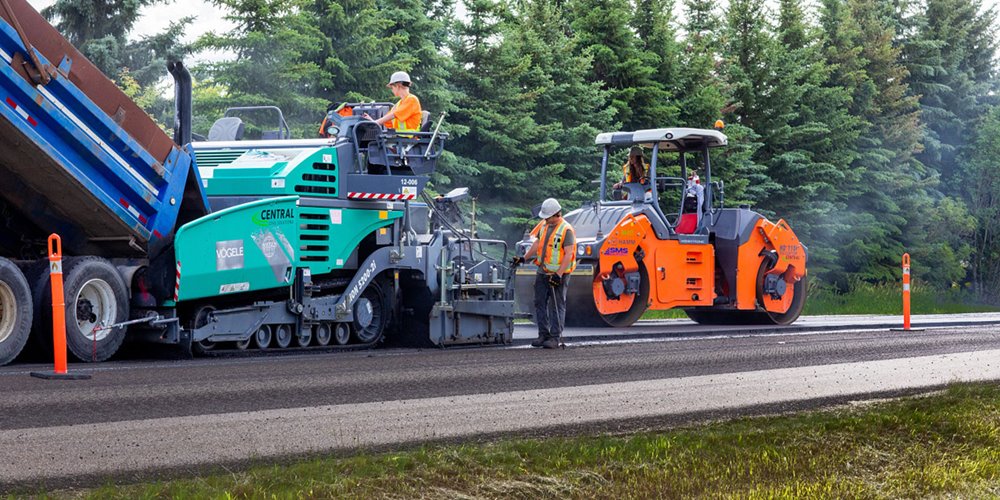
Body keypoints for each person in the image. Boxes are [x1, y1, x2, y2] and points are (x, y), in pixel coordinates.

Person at [519, 198, 576, 349]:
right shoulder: (544, 226)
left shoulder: (566, 230)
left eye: (547, 217)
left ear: (556, 214)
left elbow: (568, 254)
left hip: (559, 274)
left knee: (557, 305)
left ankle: (555, 337)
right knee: (539, 303)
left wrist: (558, 274)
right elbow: (537, 244)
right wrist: (523, 258)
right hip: (542, 271)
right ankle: (543, 334)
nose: (545, 219)